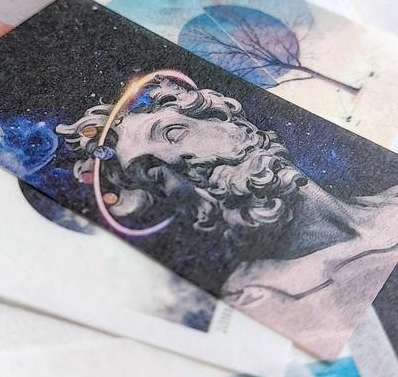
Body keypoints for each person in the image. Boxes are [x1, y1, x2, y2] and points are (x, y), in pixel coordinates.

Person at [56, 78, 398, 357]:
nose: (176, 160)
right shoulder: (262, 302)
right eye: (154, 171)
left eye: (173, 133)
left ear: (229, 123)